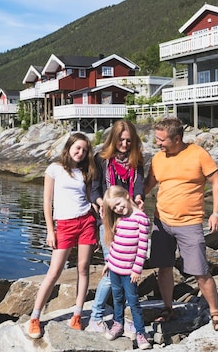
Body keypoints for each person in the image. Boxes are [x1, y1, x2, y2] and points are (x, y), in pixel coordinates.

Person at [143, 117, 218, 331]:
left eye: (162, 140)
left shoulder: (198, 154)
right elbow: (147, 186)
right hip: (161, 222)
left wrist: (216, 213)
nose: (158, 143)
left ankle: (215, 311)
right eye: (157, 139)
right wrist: (127, 201)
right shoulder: (158, 158)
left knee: (200, 270)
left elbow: (217, 181)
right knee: (164, 267)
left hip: (190, 223)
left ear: (177, 138)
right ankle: (167, 307)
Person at [27, 132, 98, 339]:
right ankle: (35, 317)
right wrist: (50, 230)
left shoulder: (86, 170)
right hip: (64, 225)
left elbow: (86, 197)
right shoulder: (55, 169)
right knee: (54, 271)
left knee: (83, 269)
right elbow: (47, 201)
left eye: (84, 150)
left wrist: (99, 209)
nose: (81, 153)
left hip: (86, 221)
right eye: (77, 148)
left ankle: (77, 314)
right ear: (68, 148)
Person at [87, 119, 145, 333]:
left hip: (130, 220)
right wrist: (103, 204)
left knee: (126, 272)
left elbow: (139, 186)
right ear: (113, 139)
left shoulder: (136, 160)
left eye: (129, 141)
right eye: (121, 140)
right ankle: (96, 316)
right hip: (109, 221)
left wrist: (138, 197)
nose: (124, 144)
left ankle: (119, 318)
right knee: (113, 271)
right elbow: (94, 190)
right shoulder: (101, 160)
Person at [102, 185, 151, 350]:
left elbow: (142, 247)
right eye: (114, 207)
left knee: (133, 301)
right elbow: (116, 243)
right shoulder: (119, 219)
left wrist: (137, 269)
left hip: (129, 272)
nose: (118, 208)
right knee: (117, 298)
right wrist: (108, 262)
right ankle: (118, 323)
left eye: (119, 203)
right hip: (115, 268)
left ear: (126, 196)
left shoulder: (141, 218)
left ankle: (140, 333)